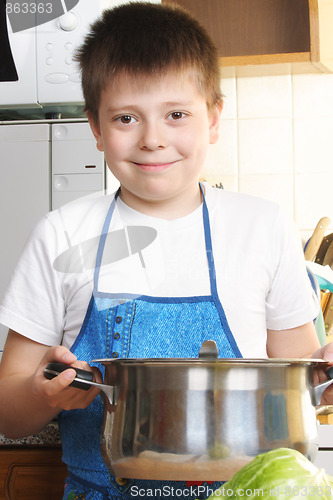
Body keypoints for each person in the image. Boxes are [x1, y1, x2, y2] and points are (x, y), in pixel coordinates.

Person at [0, 2, 332, 499]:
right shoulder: (62, 235)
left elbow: (302, 382)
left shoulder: (261, 226)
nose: (153, 139)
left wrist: (324, 377)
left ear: (214, 118)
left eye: (176, 114)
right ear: (96, 128)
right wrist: (40, 394)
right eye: (126, 118)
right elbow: (10, 412)